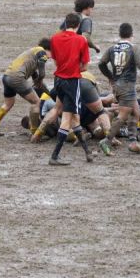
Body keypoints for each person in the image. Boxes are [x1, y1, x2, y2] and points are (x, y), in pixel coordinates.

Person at [98, 23, 140, 154]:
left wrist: (110, 77)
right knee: (122, 116)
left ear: (120, 34)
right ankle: (106, 140)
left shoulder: (112, 48)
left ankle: (133, 142)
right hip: (127, 87)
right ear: (132, 35)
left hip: (118, 86)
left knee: (136, 112)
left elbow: (101, 63)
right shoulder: (134, 48)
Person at [47, 13, 92, 166]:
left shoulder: (54, 38)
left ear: (65, 24)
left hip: (58, 81)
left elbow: (55, 61)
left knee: (73, 118)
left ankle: (87, 152)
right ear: (78, 25)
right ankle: (54, 156)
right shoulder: (81, 40)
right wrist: (74, 68)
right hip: (72, 82)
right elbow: (85, 67)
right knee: (67, 118)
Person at [0, 38, 51, 137]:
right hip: (17, 78)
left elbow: (36, 78)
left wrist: (44, 88)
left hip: (7, 76)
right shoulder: (41, 51)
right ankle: (34, 132)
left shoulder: (31, 55)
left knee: (8, 103)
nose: (50, 57)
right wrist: (41, 79)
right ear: (48, 49)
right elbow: (42, 73)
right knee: (36, 102)